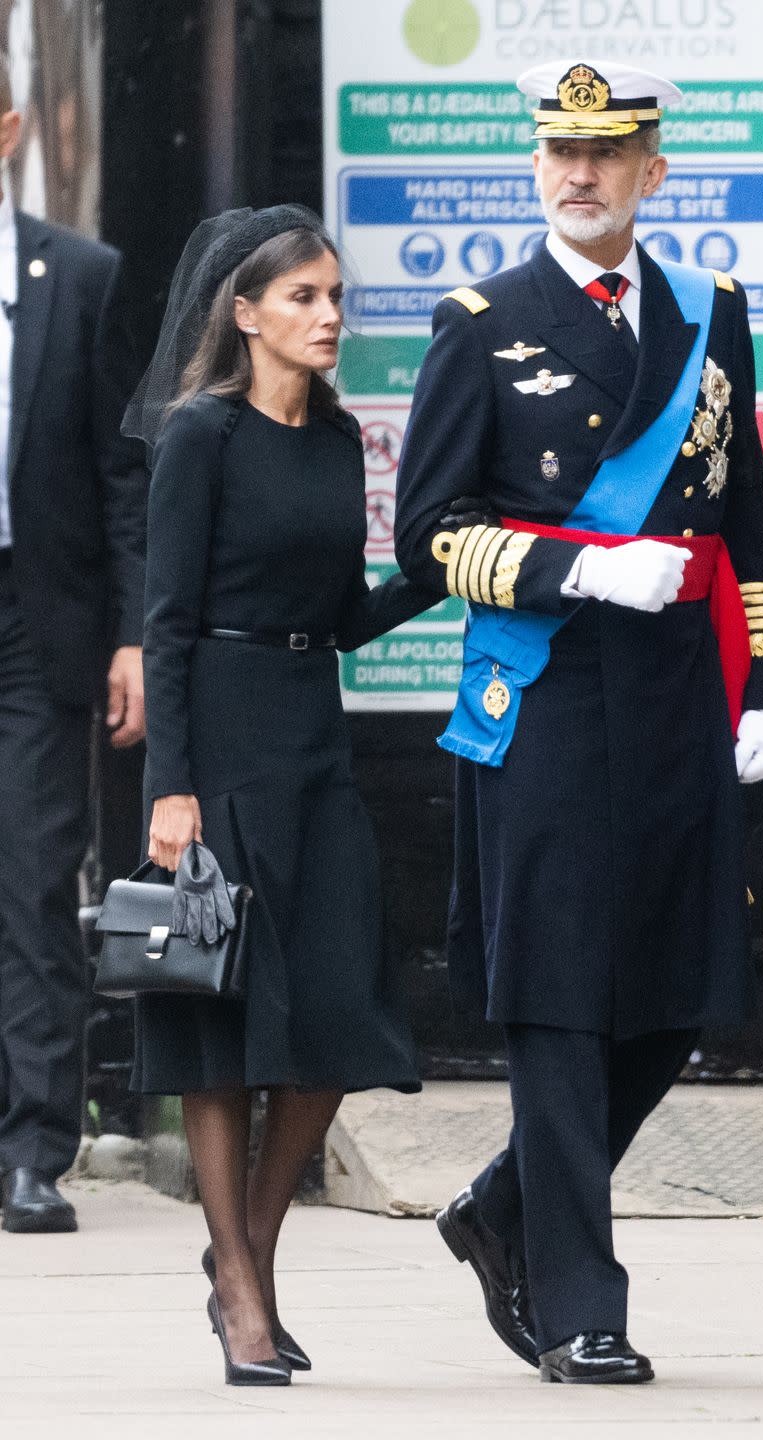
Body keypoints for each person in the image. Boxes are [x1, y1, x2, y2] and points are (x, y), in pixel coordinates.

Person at [394, 61, 763, 1385]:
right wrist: (575, 568)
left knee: (677, 996)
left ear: (649, 172)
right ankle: (579, 1302)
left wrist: (762, 685)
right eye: (560, 152)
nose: (579, 173)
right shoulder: (479, 319)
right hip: (550, 700)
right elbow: (430, 536)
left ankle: (502, 1205)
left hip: (678, 697)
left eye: (607, 155)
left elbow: (743, 518)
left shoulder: (708, 311)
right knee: (558, 1002)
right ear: (536, 164)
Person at [124, 205, 431, 1387]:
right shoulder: (200, 435)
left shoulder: (338, 437)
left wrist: (441, 568)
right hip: (220, 743)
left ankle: (239, 1252)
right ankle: (244, 1295)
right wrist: (171, 789)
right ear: (244, 314)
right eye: (302, 298)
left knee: (330, 1026)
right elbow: (167, 621)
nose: (328, 316)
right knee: (222, 1032)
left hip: (312, 738)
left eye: (335, 297)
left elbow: (345, 614)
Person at [0, 52, 147, 1235]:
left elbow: (118, 471)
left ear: (6, 131)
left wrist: (134, 635)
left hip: (33, 620)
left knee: (35, 881)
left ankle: (34, 1150)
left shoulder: (80, 276)